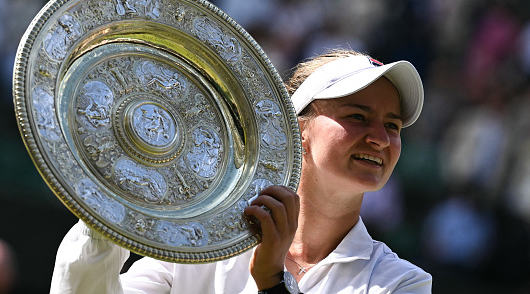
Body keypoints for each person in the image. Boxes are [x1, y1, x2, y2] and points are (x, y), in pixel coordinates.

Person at [51, 49, 432, 293]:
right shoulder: (203, 242)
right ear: (297, 128)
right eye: (358, 117)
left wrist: (271, 284)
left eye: (393, 126)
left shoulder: (402, 283)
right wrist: (107, 216)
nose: (380, 139)